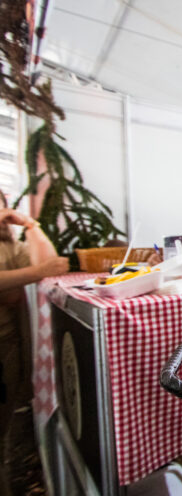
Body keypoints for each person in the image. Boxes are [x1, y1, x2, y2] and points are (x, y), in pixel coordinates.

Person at [0, 193, 68, 495]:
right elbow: (41, 270)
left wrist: (30, 224)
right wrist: (35, 273)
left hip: (8, 340)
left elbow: (49, 262)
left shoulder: (9, 243)